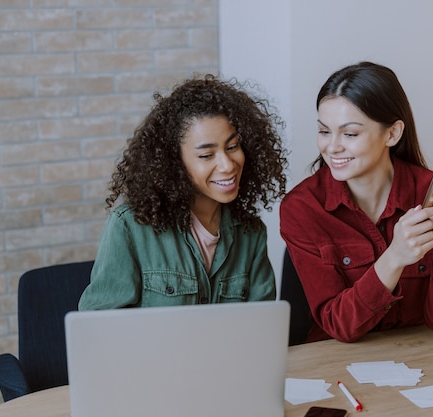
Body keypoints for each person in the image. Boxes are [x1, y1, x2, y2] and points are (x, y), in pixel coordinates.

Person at [279, 62, 433, 343]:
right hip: (335, 365)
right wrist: (394, 257)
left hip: (420, 360)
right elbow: (339, 326)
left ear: (392, 133)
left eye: (349, 134)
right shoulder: (302, 208)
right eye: (324, 131)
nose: (332, 147)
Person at [79, 74, 288, 310]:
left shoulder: (251, 233)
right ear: (175, 163)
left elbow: (261, 325)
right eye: (206, 155)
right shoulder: (130, 227)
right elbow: (101, 329)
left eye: (232, 147)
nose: (228, 165)